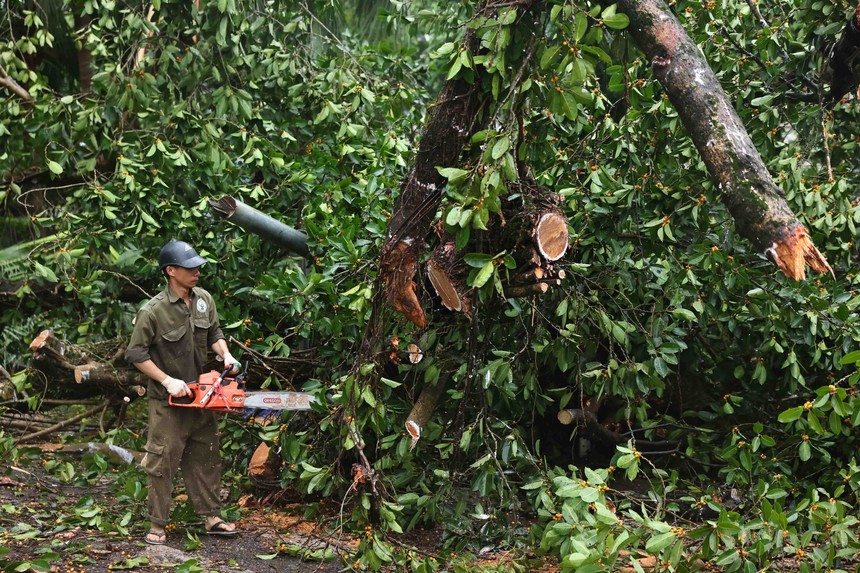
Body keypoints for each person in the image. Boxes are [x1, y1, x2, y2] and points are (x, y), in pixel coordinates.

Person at [125, 239, 240, 545]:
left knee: (207, 456)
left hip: (203, 395)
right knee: (162, 461)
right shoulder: (153, 311)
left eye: (198, 266)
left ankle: (212, 516)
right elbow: (136, 354)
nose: (196, 272)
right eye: (189, 268)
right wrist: (165, 380)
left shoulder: (203, 299)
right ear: (171, 271)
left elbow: (214, 333)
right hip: (169, 401)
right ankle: (157, 524)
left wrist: (225, 354)